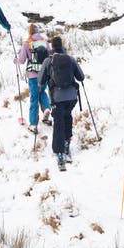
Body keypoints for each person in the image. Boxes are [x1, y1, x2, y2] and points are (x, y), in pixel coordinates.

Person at [39, 36, 84, 170]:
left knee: (58, 122)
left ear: (51, 46)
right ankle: (66, 145)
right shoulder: (70, 59)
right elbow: (81, 77)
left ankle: (59, 152)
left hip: (57, 97)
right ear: (62, 45)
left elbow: (40, 80)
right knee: (67, 116)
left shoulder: (48, 60)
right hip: (71, 96)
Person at [14, 24, 52, 133]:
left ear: (30, 32)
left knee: (34, 98)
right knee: (42, 92)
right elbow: (50, 57)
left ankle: (33, 124)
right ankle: (47, 109)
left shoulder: (27, 44)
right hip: (44, 74)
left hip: (33, 75)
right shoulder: (45, 43)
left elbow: (21, 61)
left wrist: (16, 60)